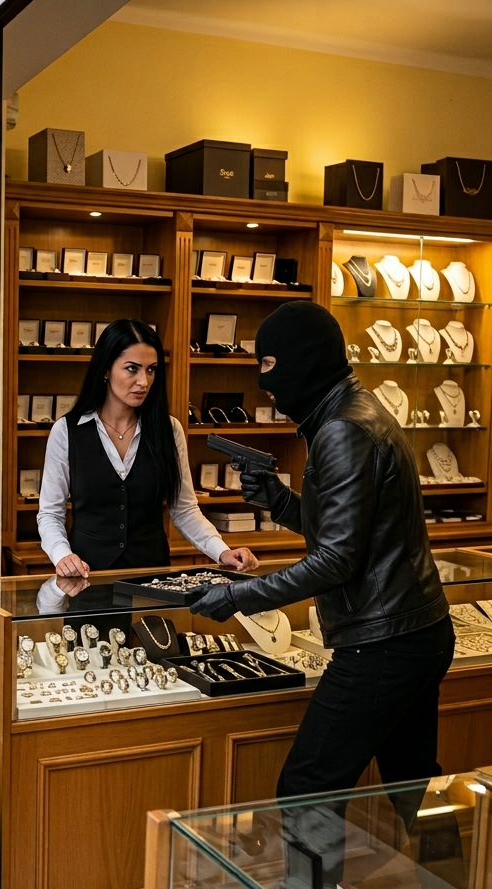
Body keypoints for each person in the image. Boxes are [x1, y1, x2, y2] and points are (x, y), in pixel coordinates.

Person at [190, 301, 453, 805]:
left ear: (303, 360)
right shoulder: (354, 412)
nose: (263, 378)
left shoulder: (341, 429)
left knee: (305, 788)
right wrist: (281, 502)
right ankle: (444, 885)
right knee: (414, 781)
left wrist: (241, 595)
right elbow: (353, 530)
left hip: (383, 641)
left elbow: (337, 560)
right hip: (415, 630)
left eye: (268, 364)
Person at [38, 318, 258, 581]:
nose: (143, 381)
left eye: (151, 370)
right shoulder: (67, 431)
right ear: (105, 369)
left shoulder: (169, 430)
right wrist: (62, 555)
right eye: (132, 369)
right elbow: (50, 512)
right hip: (87, 579)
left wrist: (222, 551)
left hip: (152, 576)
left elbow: (184, 509)